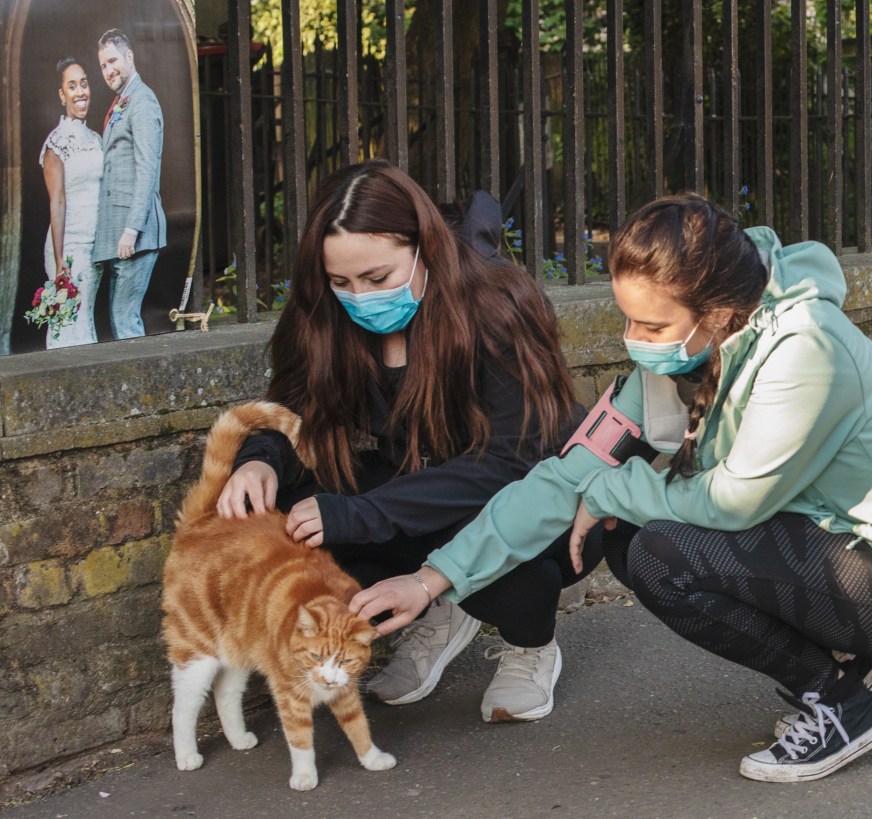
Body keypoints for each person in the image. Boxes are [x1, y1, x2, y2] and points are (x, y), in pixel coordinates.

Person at [351, 193, 872, 782]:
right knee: (630, 536)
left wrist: (613, 490)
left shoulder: (806, 351)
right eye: (629, 321)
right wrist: (432, 579)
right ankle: (844, 651)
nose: (636, 343)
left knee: (658, 551)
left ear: (719, 313)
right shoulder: (685, 357)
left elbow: (731, 502)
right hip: (830, 542)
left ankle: (842, 706)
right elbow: (566, 476)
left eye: (652, 326)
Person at [217, 159, 603, 723]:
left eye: (378, 279)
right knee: (305, 523)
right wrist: (258, 461)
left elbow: (508, 464)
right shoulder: (325, 318)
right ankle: (437, 609)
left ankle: (530, 645)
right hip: (421, 486)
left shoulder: (495, 308)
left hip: (542, 504)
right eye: (341, 282)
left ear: (424, 251)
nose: (360, 298)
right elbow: (292, 405)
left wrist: (361, 514)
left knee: (493, 561)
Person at [92, 28, 166, 339]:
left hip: (135, 234)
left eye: (112, 61)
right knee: (121, 319)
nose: (109, 70)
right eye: (103, 66)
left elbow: (147, 169)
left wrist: (131, 229)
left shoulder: (143, 101)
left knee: (125, 322)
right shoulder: (124, 100)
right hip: (121, 234)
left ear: (129, 57)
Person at [39, 57, 103, 348]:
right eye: (72, 86)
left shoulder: (96, 139)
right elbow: (58, 203)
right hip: (70, 249)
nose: (80, 92)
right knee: (69, 330)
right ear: (62, 95)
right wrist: (59, 258)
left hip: (94, 247)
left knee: (86, 323)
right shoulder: (56, 143)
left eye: (84, 84)